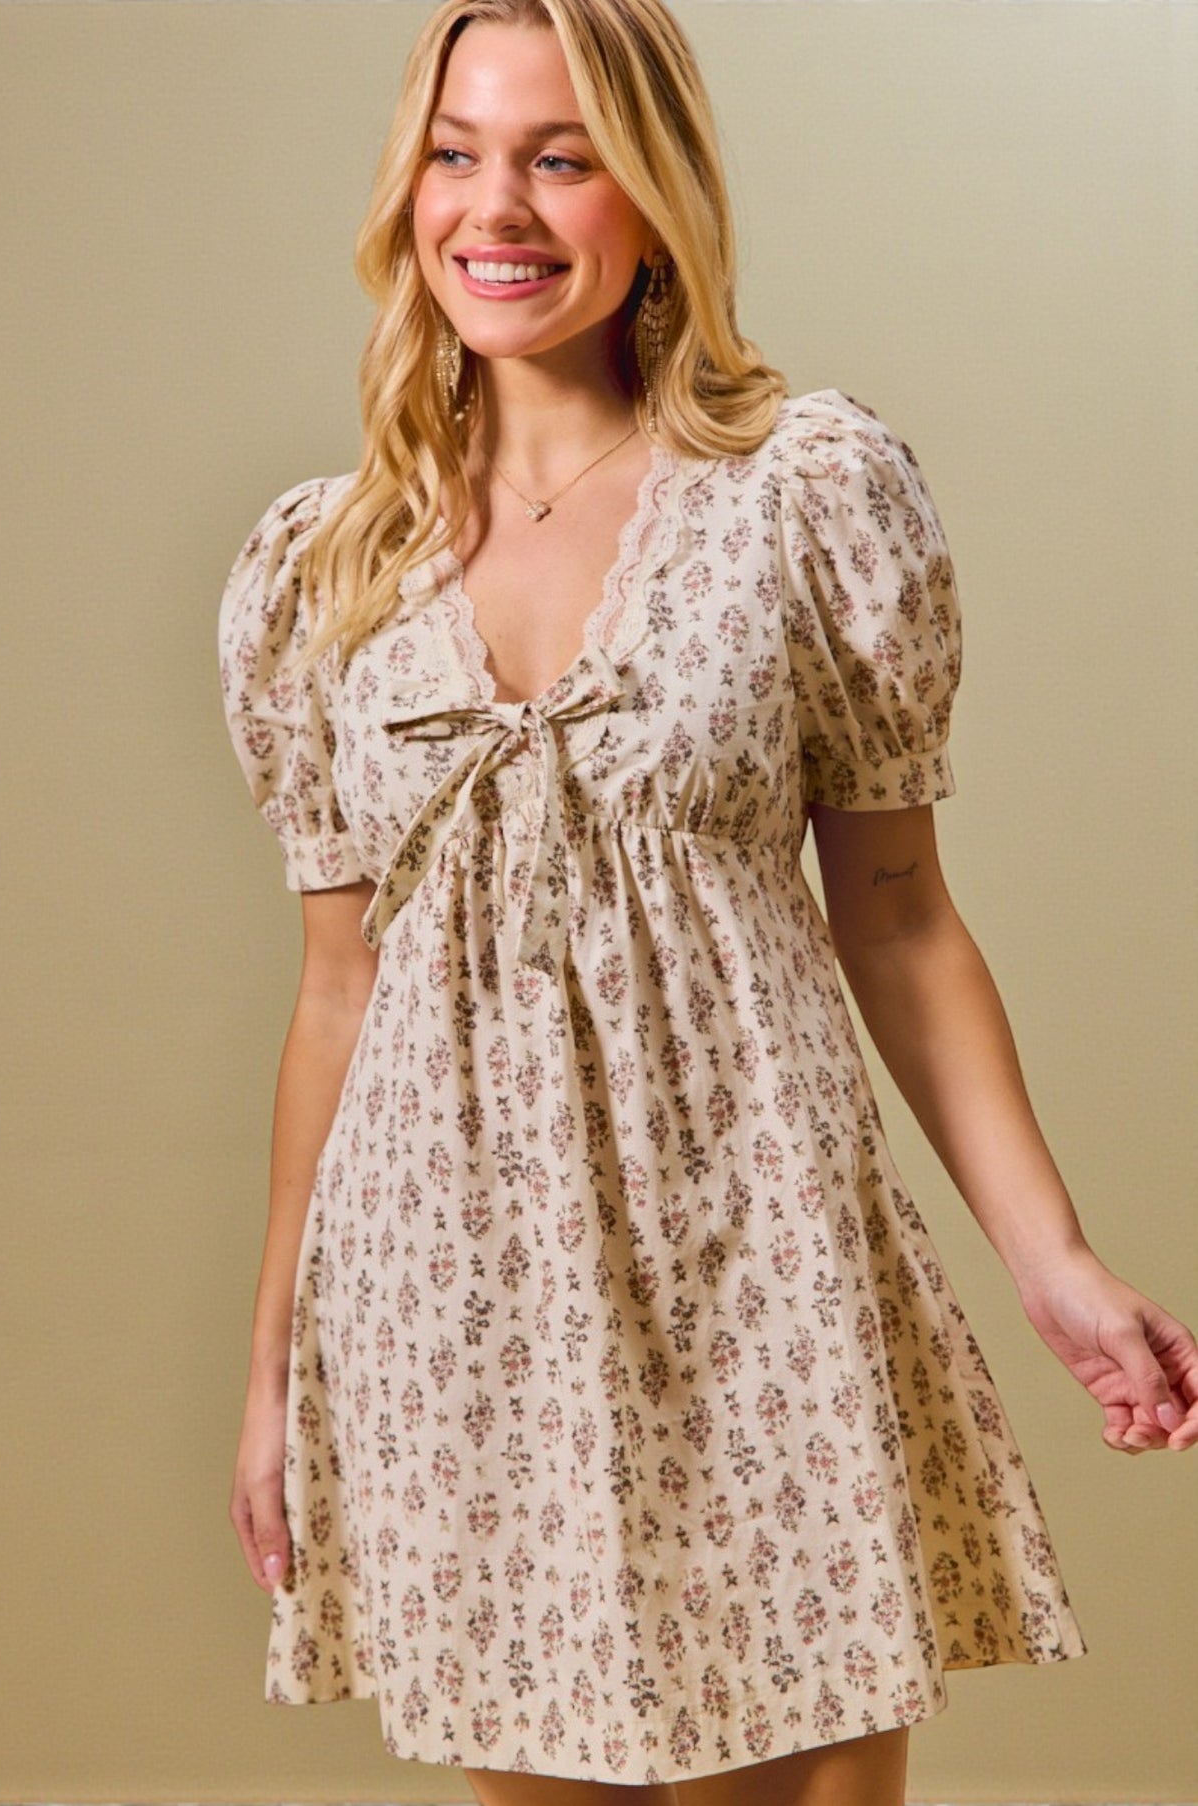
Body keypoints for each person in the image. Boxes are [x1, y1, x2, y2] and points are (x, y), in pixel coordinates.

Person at [218, 2, 1197, 1801]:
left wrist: (1051, 1261)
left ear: (656, 194)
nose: (493, 208)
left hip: (757, 1246)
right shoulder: (320, 564)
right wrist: (277, 1362)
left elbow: (897, 913)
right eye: (456, 154)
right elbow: (335, 989)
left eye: (558, 156)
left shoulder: (801, 495)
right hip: (455, 1283)